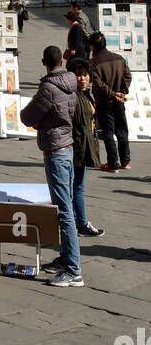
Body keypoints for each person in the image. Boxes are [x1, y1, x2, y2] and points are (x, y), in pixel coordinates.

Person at [20, 46, 82, 287]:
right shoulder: (71, 82)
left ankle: (73, 270)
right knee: (65, 205)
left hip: (56, 151)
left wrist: (39, 123)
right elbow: (64, 113)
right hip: (67, 145)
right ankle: (67, 257)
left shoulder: (48, 87)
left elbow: (27, 116)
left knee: (64, 210)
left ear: (44, 61)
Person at [88, 31, 131, 172]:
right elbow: (127, 75)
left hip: (104, 101)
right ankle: (126, 161)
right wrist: (122, 92)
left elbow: (99, 84)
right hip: (119, 101)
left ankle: (113, 163)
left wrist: (113, 94)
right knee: (122, 130)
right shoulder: (119, 58)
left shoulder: (93, 63)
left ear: (93, 46)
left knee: (108, 132)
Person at [71, 62, 104, 238]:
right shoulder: (75, 96)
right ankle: (81, 223)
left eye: (85, 74)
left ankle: (76, 221)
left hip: (84, 146)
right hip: (78, 148)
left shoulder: (85, 94)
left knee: (75, 186)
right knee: (77, 188)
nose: (83, 78)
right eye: (79, 75)